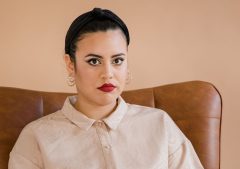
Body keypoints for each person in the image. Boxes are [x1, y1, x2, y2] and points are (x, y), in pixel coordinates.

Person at [8, 8, 204, 169]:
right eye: (94, 61)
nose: (108, 73)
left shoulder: (160, 125)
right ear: (70, 64)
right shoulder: (36, 137)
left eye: (118, 60)